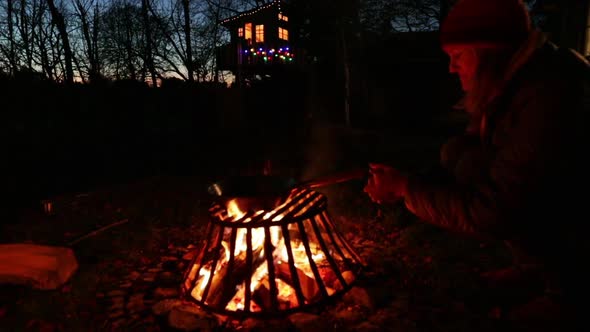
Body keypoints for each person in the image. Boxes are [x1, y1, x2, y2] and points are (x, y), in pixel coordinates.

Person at [363, 0, 589, 327]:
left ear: (488, 53)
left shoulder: (550, 96)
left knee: (486, 179)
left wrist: (404, 188)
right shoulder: (516, 79)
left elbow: (494, 210)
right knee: (461, 157)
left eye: (458, 57)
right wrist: (408, 181)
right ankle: (536, 267)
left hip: (582, 224)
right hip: (559, 204)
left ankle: (569, 295)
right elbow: (464, 152)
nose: (451, 69)